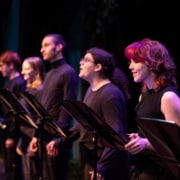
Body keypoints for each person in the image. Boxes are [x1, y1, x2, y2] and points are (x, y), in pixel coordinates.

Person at [48, 47, 131, 180]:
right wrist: (59, 141)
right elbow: (82, 125)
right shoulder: (91, 90)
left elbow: (116, 134)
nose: (81, 63)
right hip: (93, 160)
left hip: (107, 165)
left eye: (86, 60)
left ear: (98, 67)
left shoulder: (111, 94)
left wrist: (103, 166)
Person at [124, 38, 180, 180]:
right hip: (143, 170)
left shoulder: (168, 97)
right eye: (130, 62)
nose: (130, 66)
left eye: (135, 61)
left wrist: (145, 144)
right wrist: (138, 139)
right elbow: (150, 135)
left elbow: (176, 143)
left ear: (151, 63)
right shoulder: (143, 96)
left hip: (163, 174)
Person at [29, 33, 78, 180]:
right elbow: (44, 108)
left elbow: (67, 107)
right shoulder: (49, 74)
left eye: (46, 45)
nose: (41, 50)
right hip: (43, 136)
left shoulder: (67, 72)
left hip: (54, 139)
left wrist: (57, 140)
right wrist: (36, 135)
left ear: (59, 47)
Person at [16, 56, 45, 180]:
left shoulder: (41, 91)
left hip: (33, 138)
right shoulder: (28, 89)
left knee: (32, 174)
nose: (22, 72)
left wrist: (35, 138)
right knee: (27, 174)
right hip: (24, 137)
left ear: (36, 70)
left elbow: (39, 117)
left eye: (26, 69)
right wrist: (20, 142)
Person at [0, 51, 26, 180]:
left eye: (2, 65)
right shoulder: (8, 83)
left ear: (11, 65)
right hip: (6, 131)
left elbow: (16, 112)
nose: (0, 69)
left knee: (14, 169)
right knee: (8, 168)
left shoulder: (19, 83)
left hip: (13, 133)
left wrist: (12, 135)